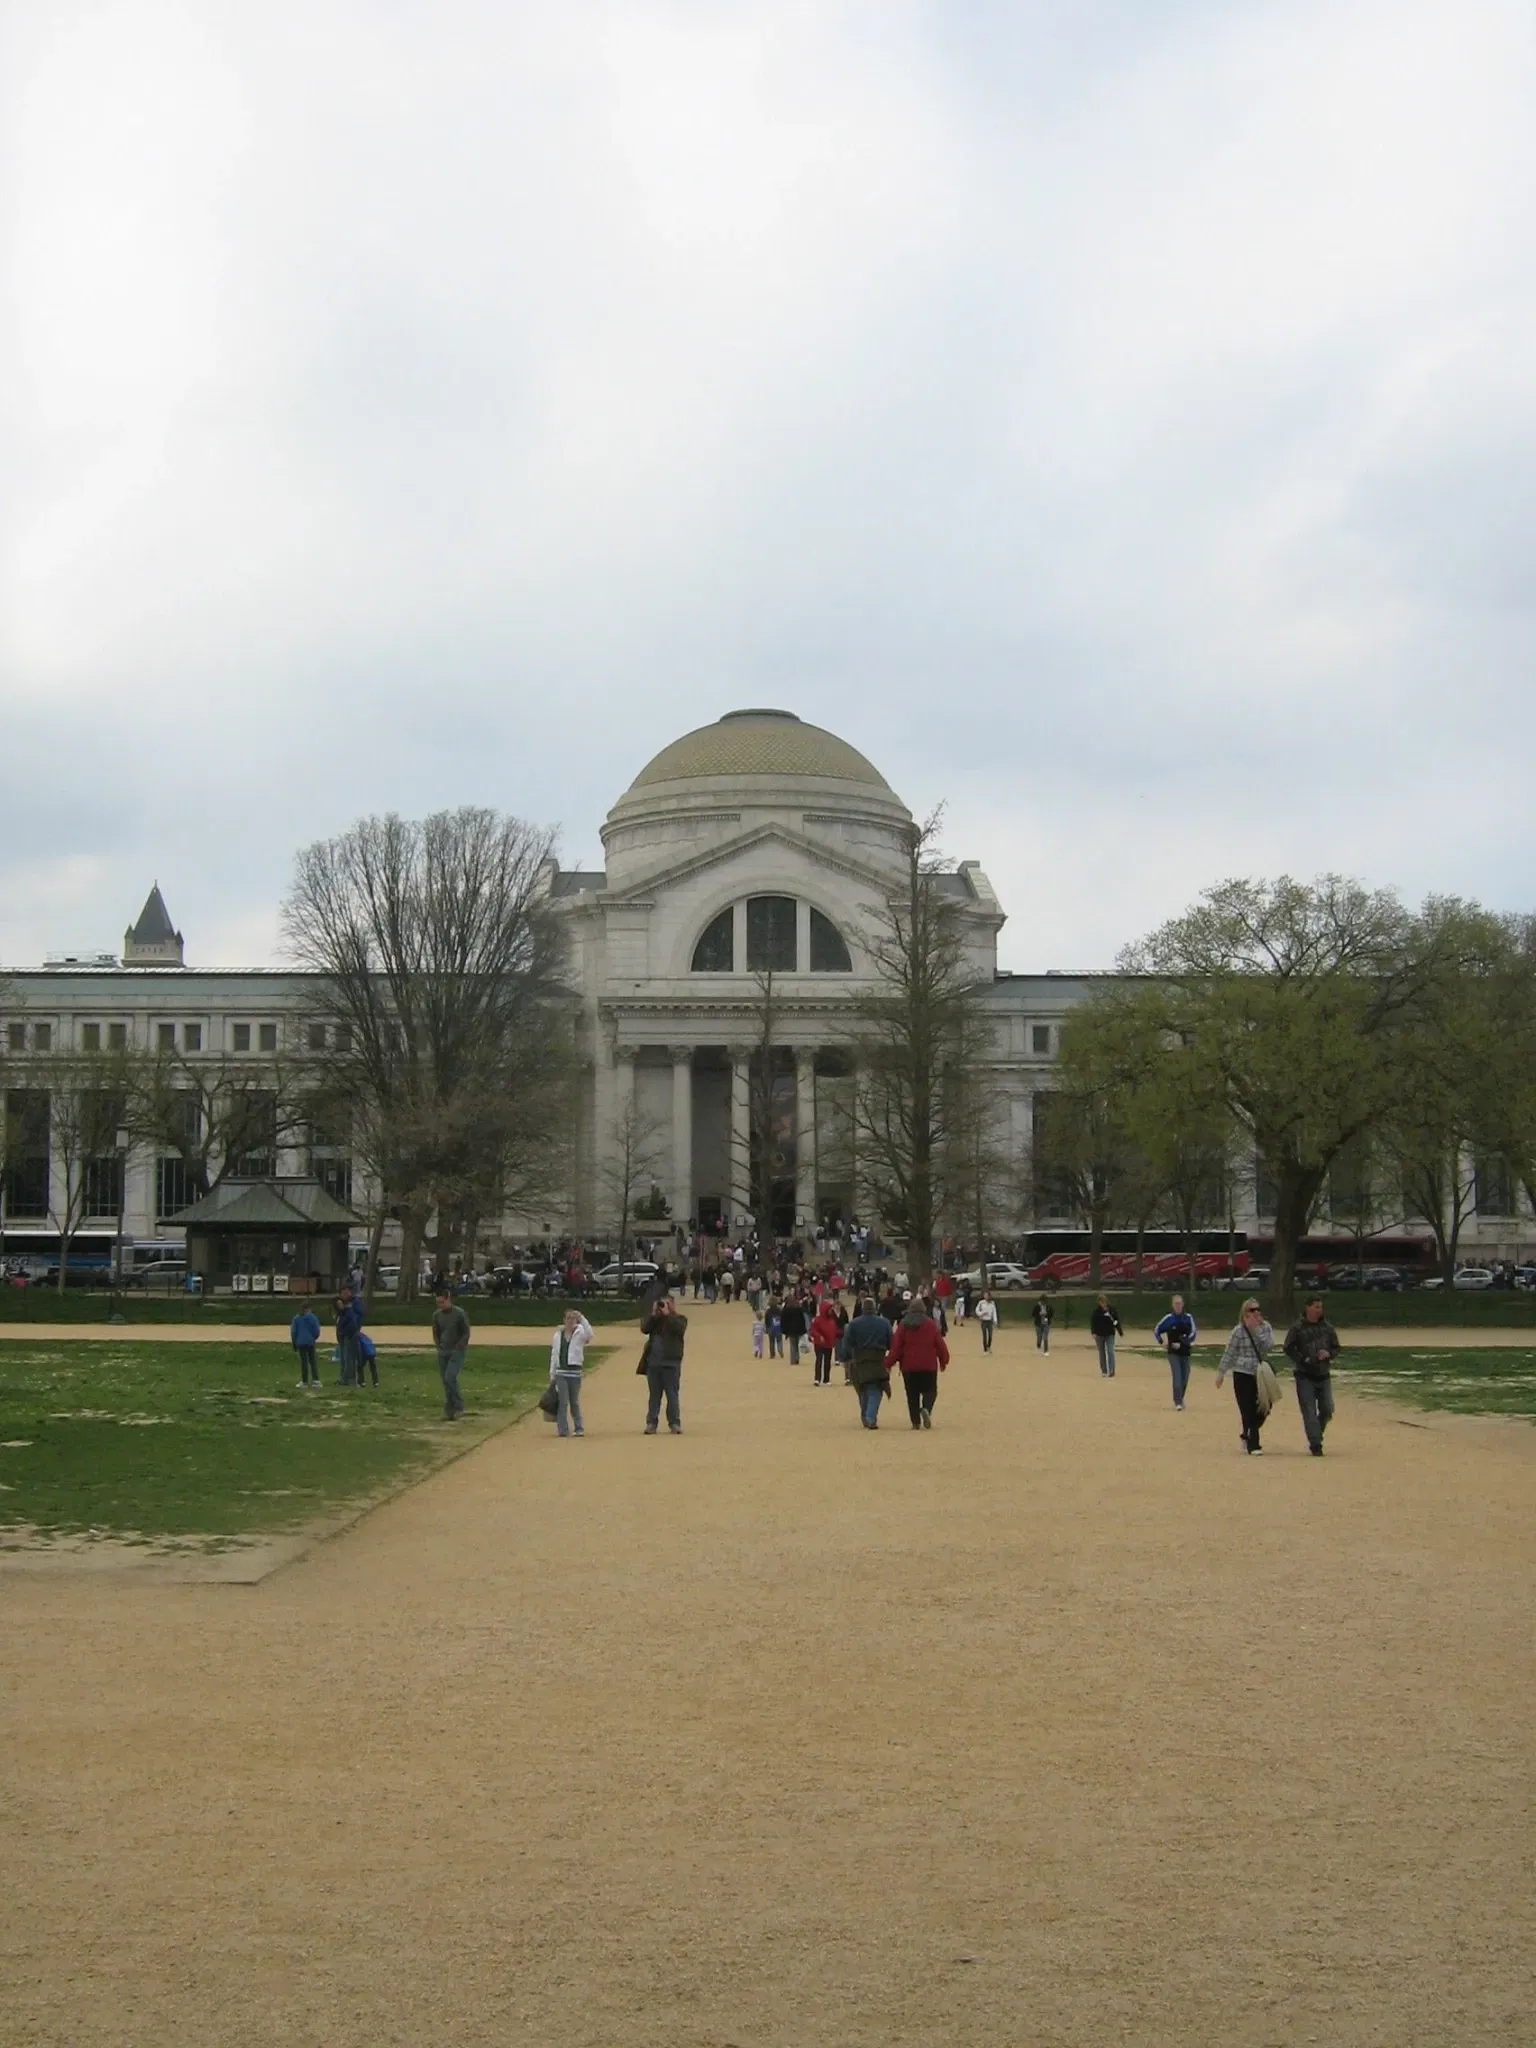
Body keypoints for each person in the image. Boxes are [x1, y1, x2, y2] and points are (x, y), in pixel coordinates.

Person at [1215, 1297, 1275, 1454]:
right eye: (1252, 1310)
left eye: (1258, 1310)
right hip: (1242, 1372)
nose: (1256, 1313)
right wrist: (1221, 1372)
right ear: (1244, 1313)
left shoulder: (1265, 1327)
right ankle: (1253, 1444)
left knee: (1265, 1406)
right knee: (1247, 1408)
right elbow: (1230, 1352)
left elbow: (1268, 1346)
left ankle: (1247, 1432)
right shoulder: (1238, 1331)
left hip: (1260, 1373)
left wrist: (1257, 1330)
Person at [1284, 1295, 1341, 1456]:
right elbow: (1288, 1347)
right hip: (1304, 1376)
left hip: (1323, 1375)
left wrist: (1329, 1353)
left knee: (1327, 1409)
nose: (1319, 1310)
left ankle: (1317, 1433)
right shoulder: (1297, 1327)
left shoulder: (1327, 1328)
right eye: (1316, 1307)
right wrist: (1303, 1359)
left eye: (1320, 1307)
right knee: (1309, 1411)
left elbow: (1336, 1347)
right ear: (1307, 1308)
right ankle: (1315, 1444)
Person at [885, 1296, 950, 1429]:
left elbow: (896, 1347)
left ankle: (915, 1422)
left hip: (909, 1367)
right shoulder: (930, 1324)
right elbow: (940, 1344)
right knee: (930, 1391)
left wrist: (888, 1363)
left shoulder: (903, 1325)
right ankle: (926, 1408)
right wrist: (944, 1361)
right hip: (928, 1365)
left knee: (912, 1394)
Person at [841, 1295, 894, 1427]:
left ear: (863, 1309)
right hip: (878, 1359)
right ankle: (870, 1416)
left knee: (862, 1389)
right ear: (875, 1309)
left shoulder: (853, 1324)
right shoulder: (884, 1323)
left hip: (858, 1359)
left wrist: (845, 1359)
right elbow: (891, 1343)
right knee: (875, 1388)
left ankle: (866, 1415)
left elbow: (846, 1344)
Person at [641, 1294, 688, 1434]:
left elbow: (679, 1329)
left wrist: (668, 1315)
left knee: (672, 1394)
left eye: (667, 1304)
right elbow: (644, 1328)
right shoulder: (655, 1320)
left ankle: (674, 1423)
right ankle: (651, 1423)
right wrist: (654, 1314)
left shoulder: (680, 1319)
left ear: (673, 1305)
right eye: (662, 1304)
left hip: (671, 1363)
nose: (664, 1306)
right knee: (654, 1395)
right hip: (653, 1363)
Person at [549, 1307, 593, 1437]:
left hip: (574, 1373)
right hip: (561, 1372)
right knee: (563, 1401)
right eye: (568, 1318)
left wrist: (582, 1318)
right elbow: (554, 1354)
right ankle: (562, 1429)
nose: (570, 1321)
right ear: (564, 1320)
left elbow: (590, 1335)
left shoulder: (580, 1333)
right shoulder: (558, 1335)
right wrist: (552, 1373)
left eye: (573, 1318)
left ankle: (579, 1427)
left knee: (574, 1401)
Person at [1153, 1294, 1199, 1409]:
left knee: (1185, 1376)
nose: (1178, 1306)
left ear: (1183, 1304)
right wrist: (1161, 1342)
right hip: (1173, 1353)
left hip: (1185, 1352)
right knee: (1177, 1376)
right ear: (1172, 1306)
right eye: (1176, 1304)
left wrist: (1183, 1343)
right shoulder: (1169, 1318)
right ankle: (1177, 1402)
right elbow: (1157, 1329)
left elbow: (1193, 1334)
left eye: (1179, 1303)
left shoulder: (1188, 1318)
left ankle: (1180, 1397)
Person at [432, 1285, 470, 1421]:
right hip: (443, 1350)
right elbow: (436, 1332)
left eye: (442, 1302)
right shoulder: (437, 1315)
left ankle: (459, 1405)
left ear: (449, 1299)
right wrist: (438, 1346)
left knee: (450, 1377)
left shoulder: (459, 1313)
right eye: (438, 1302)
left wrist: (459, 1346)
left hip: (456, 1351)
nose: (440, 1305)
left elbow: (466, 1332)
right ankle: (449, 1409)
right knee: (445, 1381)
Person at [335, 1285, 364, 1388]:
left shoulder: (354, 1303)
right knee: (343, 1357)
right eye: (342, 1293)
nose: (344, 1295)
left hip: (350, 1333)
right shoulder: (343, 1305)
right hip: (343, 1333)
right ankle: (344, 1377)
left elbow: (356, 1319)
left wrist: (352, 1329)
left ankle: (349, 1379)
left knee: (349, 1357)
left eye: (346, 1292)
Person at [1089, 1294, 1124, 1378]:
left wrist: (1120, 1331)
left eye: (1104, 1302)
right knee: (1102, 1352)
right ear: (1099, 1302)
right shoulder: (1096, 1312)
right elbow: (1093, 1322)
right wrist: (1093, 1332)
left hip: (1110, 1333)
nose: (1103, 1304)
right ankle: (1104, 1370)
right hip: (1099, 1334)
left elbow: (1116, 1321)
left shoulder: (1111, 1310)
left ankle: (1111, 1370)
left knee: (1110, 1351)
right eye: (1101, 1302)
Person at [809, 1299, 842, 1386]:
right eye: (829, 1309)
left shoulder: (832, 1320)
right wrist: (819, 1336)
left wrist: (843, 1333)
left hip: (829, 1344)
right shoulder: (817, 1320)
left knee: (827, 1362)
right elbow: (812, 1331)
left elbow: (835, 1331)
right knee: (819, 1360)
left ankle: (826, 1379)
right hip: (819, 1343)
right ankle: (817, 1379)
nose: (831, 1311)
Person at [289, 1302, 322, 1389]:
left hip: (300, 1342)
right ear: (308, 1309)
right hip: (310, 1341)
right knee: (313, 1361)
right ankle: (316, 1380)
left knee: (304, 1362)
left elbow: (293, 1332)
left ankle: (305, 1381)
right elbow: (316, 1330)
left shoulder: (296, 1319)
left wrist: (294, 1343)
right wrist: (314, 1337)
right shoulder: (312, 1317)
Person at [780, 1292, 808, 1368]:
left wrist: (784, 1330)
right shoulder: (798, 1309)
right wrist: (804, 1329)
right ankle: (797, 1358)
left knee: (793, 1345)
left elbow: (783, 1321)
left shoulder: (785, 1310)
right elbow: (802, 1320)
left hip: (790, 1330)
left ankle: (793, 1360)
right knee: (797, 1344)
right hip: (798, 1329)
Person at [974, 1288, 999, 1353]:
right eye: (985, 1295)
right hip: (984, 1320)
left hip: (990, 1321)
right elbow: (977, 1310)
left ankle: (989, 1346)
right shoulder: (981, 1303)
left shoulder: (992, 1303)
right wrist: (981, 1313)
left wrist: (995, 1320)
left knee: (990, 1335)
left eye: (987, 1295)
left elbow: (994, 1312)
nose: (986, 1296)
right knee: (984, 1335)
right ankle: (985, 1349)